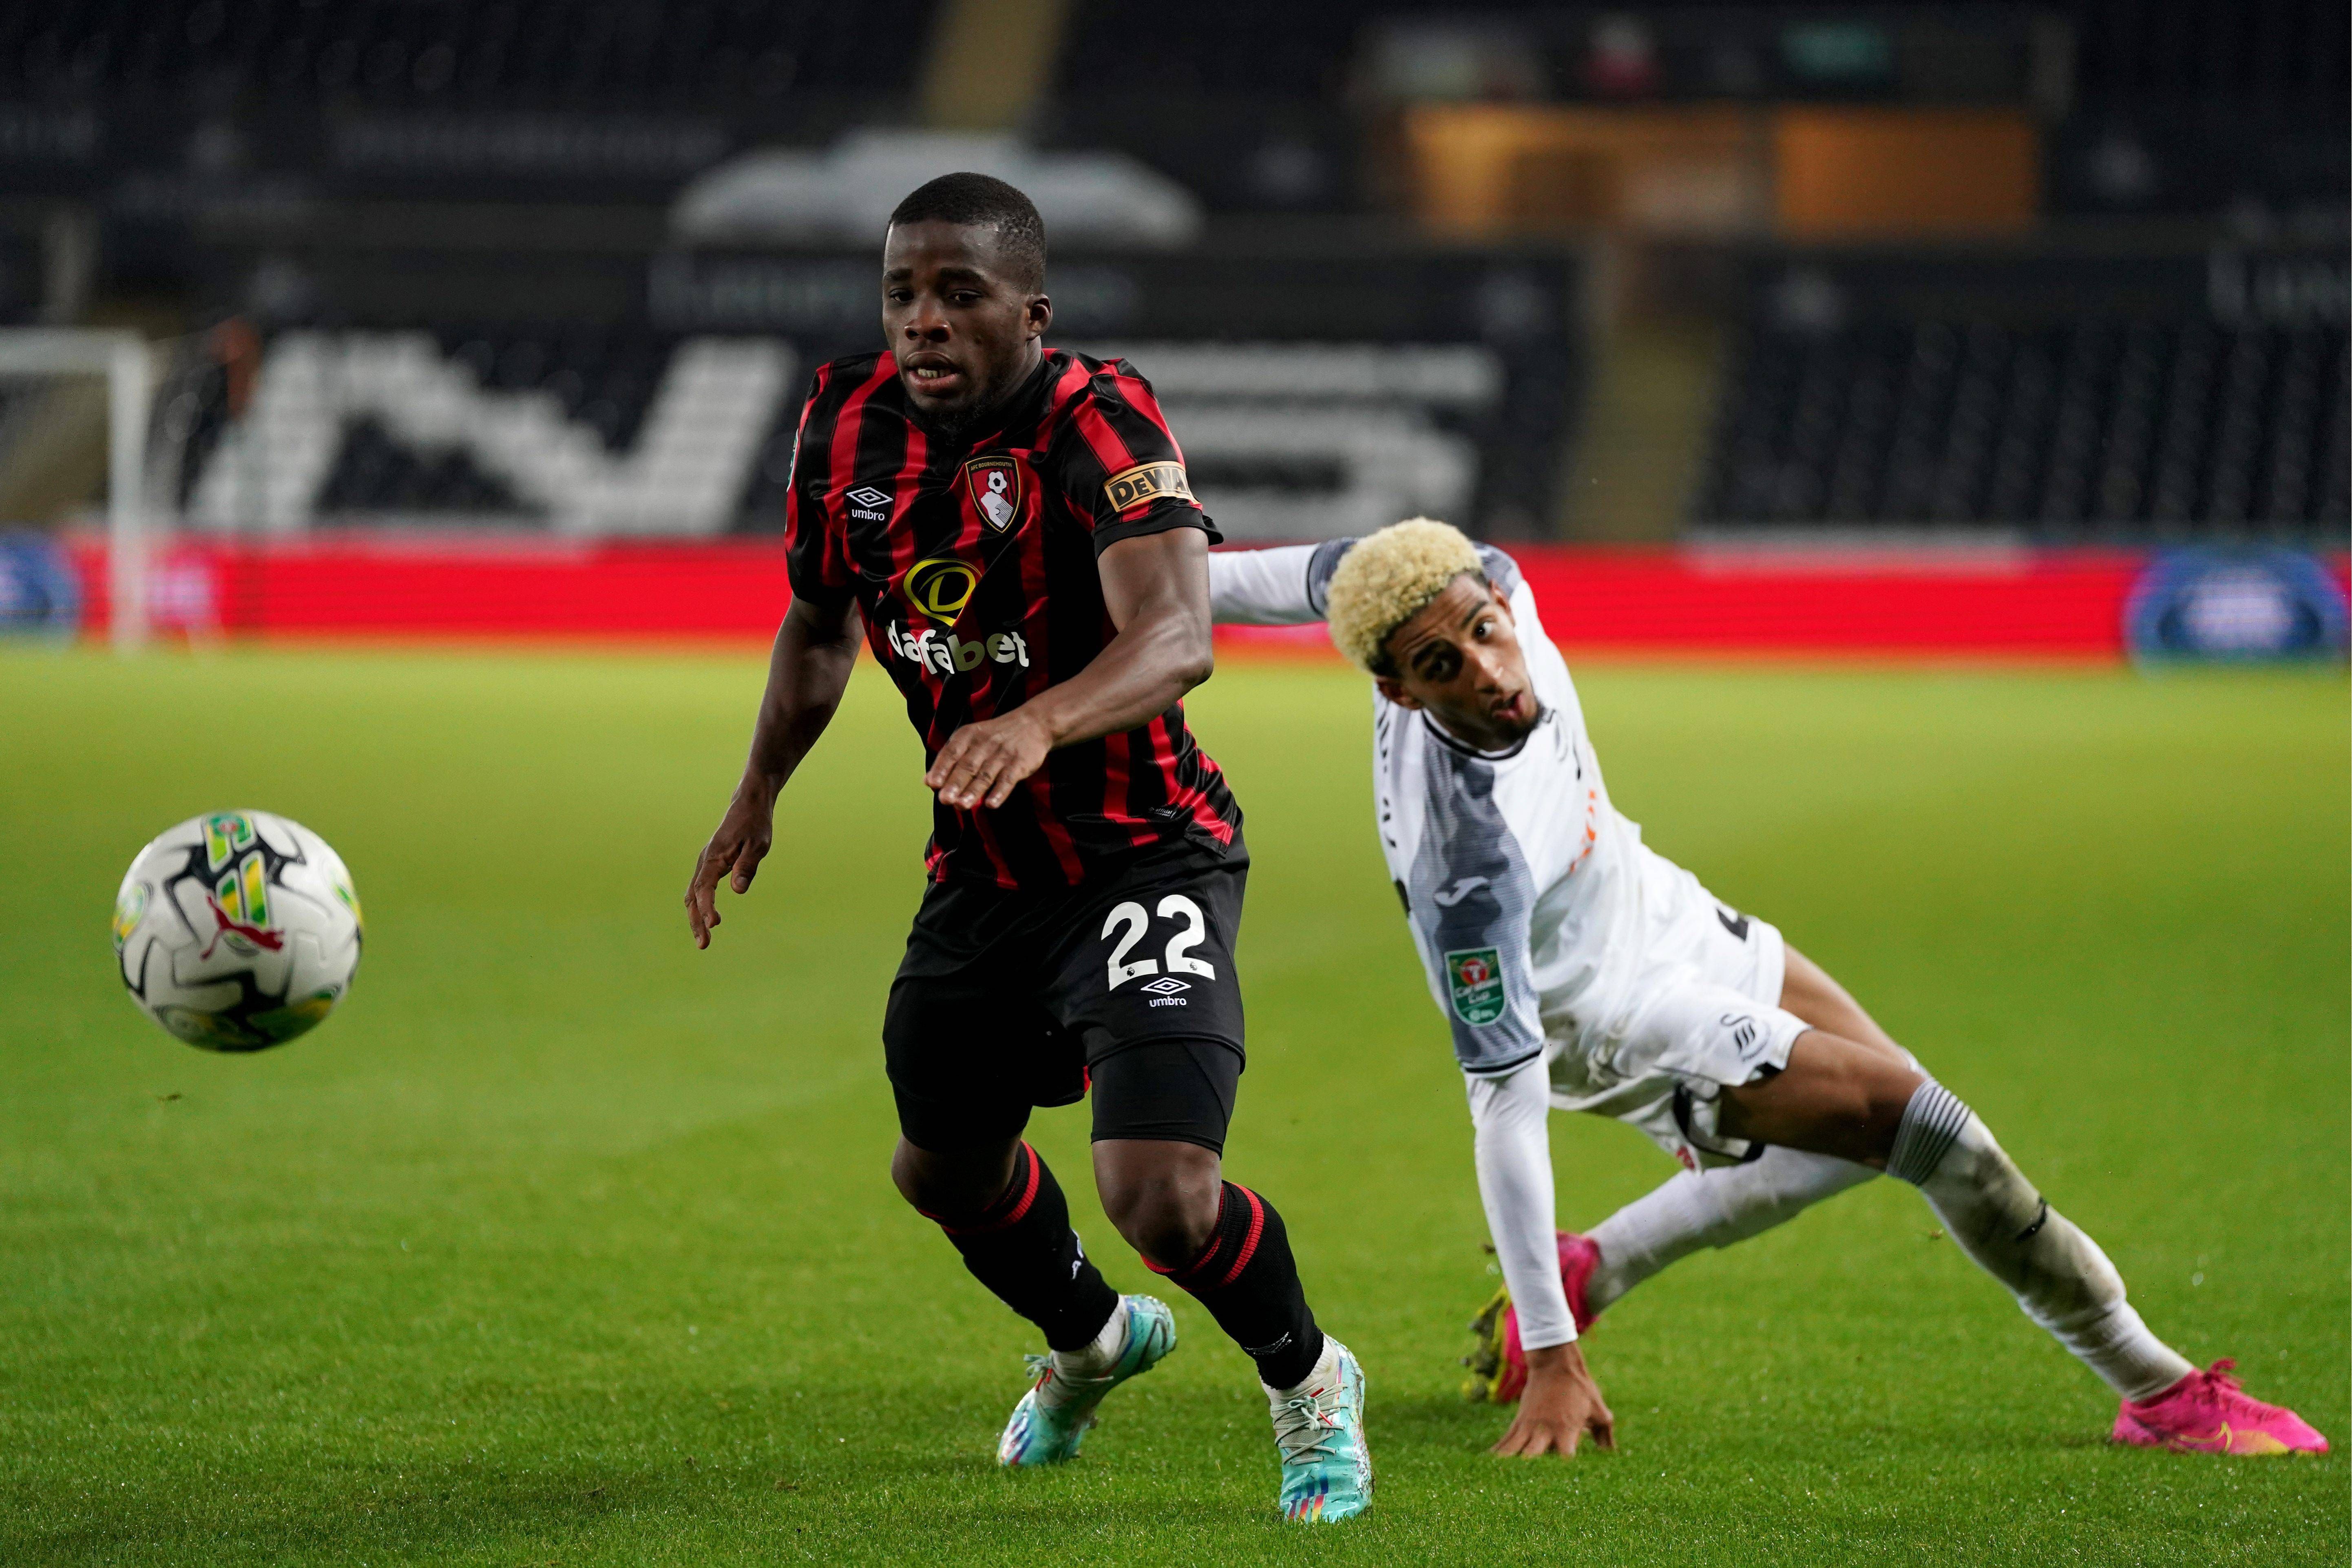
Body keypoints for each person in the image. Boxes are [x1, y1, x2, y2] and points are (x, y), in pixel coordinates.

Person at [1207, 518, 2326, 1460]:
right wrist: (1552, 1358)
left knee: (1894, 1112)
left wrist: (1105, 586)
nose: (1494, 675)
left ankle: (1596, 1262)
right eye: (1444, 669)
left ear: (1497, 595)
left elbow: (1250, 576)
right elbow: (1504, 1105)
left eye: (1487, 636)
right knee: (1937, 1134)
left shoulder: (1443, 575)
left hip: (1658, 904)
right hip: (1615, 1019)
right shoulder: (1468, 875)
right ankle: (2157, 1389)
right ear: (1395, 691)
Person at [683, 173, 1372, 1522]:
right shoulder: (841, 427)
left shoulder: (1097, 418)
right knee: (940, 1167)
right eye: (901, 294)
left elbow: (1178, 638)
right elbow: (822, 625)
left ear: (1031, 311)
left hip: (1143, 852)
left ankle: (1309, 1382)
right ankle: (1094, 1342)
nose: (922, 322)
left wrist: (1037, 720)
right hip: (986, 870)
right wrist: (758, 786)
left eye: (958, 294)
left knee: (1161, 1194)